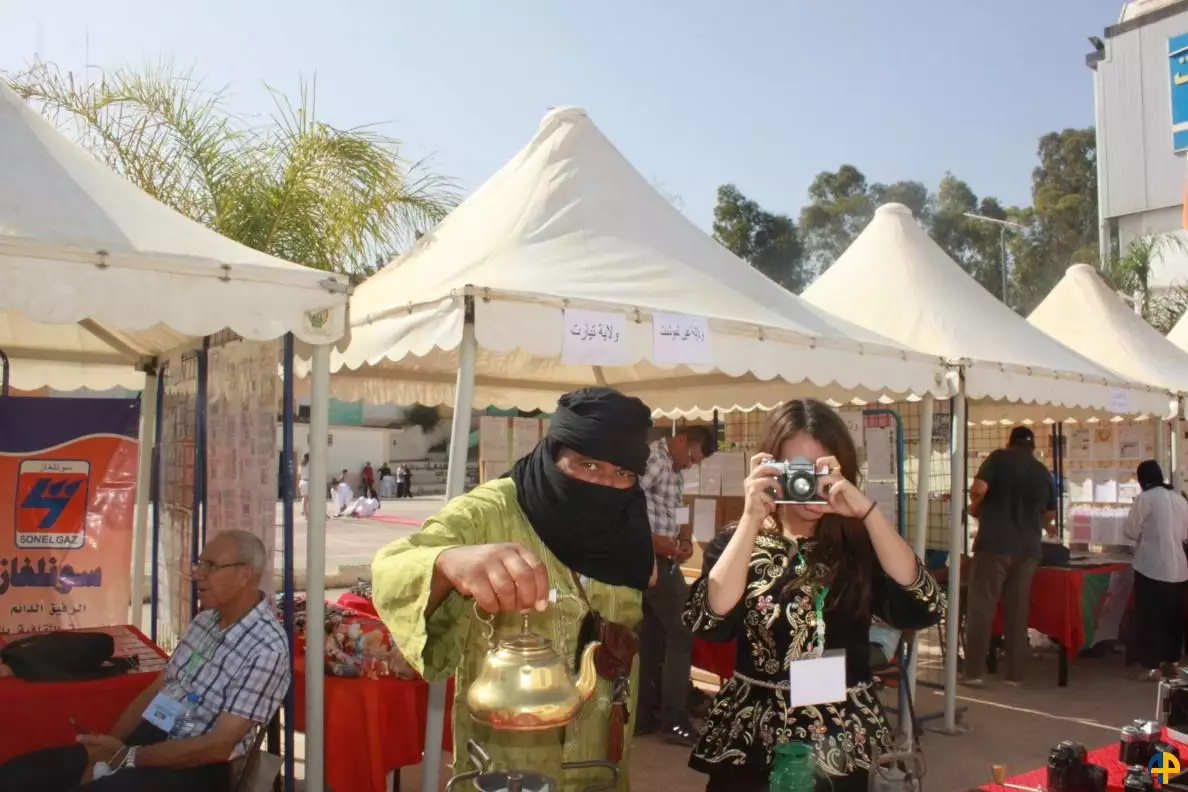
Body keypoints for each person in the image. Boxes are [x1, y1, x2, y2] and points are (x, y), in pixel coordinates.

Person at [370, 387, 658, 792]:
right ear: (555, 453)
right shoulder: (492, 509)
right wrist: (449, 562)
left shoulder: (628, 520)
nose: (605, 484)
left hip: (602, 738)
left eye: (621, 473)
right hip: (508, 750)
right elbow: (393, 565)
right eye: (588, 465)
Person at [682, 399, 944, 792]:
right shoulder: (740, 541)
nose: (809, 484)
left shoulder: (860, 544)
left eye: (824, 470)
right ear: (770, 468)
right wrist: (752, 517)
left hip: (841, 734)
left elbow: (925, 604)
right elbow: (709, 621)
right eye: (798, 470)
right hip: (753, 734)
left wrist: (869, 513)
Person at [0, 530, 289, 791]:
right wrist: (107, 751)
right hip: (150, 738)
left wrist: (126, 757)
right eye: (199, 563)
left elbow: (218, 746)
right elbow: (156, 689)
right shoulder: (204, 622)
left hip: (197, 767)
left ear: (244, 575)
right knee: (18, 775)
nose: (197, 573)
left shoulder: (267, 648)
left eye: (211, 566)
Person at [637, 425, 715, 745]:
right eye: (692, 457)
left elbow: (677, 507)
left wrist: (684, 537)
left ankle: (644, 715)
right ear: (681, 440)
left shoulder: (674, 468)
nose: (691, 464)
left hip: (664, 558)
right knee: (684, 627)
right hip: (648, 558)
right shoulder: (655, 459)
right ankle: (673, 717)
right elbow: (626, 500)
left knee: (652, 636)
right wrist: (651, 541)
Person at [962, 426, 1056, 687]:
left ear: (1009, 441)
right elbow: (1049, 514)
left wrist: (975, 506)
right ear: (1032, 447)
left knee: (982, 609)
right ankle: (1014, 674)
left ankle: (974, 673)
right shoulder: (1042, 471)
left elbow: (979, 488)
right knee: (1018, 611)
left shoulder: (998, 459)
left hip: (993, 544)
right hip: (1028, 549)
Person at [1124, 459, 1188, 680]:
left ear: (1142, 480)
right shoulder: (1179, 499)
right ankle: (1170, 663)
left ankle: (1151, 665)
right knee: (1173, 618)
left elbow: (1130, 531)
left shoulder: (1145, 499)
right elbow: (1185, 534)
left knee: (1150, 617)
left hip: (1150, 567)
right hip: (1179, 569)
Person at [298, 453, 310, 518]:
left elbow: (299, 474)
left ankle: (303, 511)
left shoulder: (301, 464)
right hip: (307, 482)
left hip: (302, 481)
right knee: (307, 499)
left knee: (304, 498)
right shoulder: (310, 464)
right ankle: (306, 513)